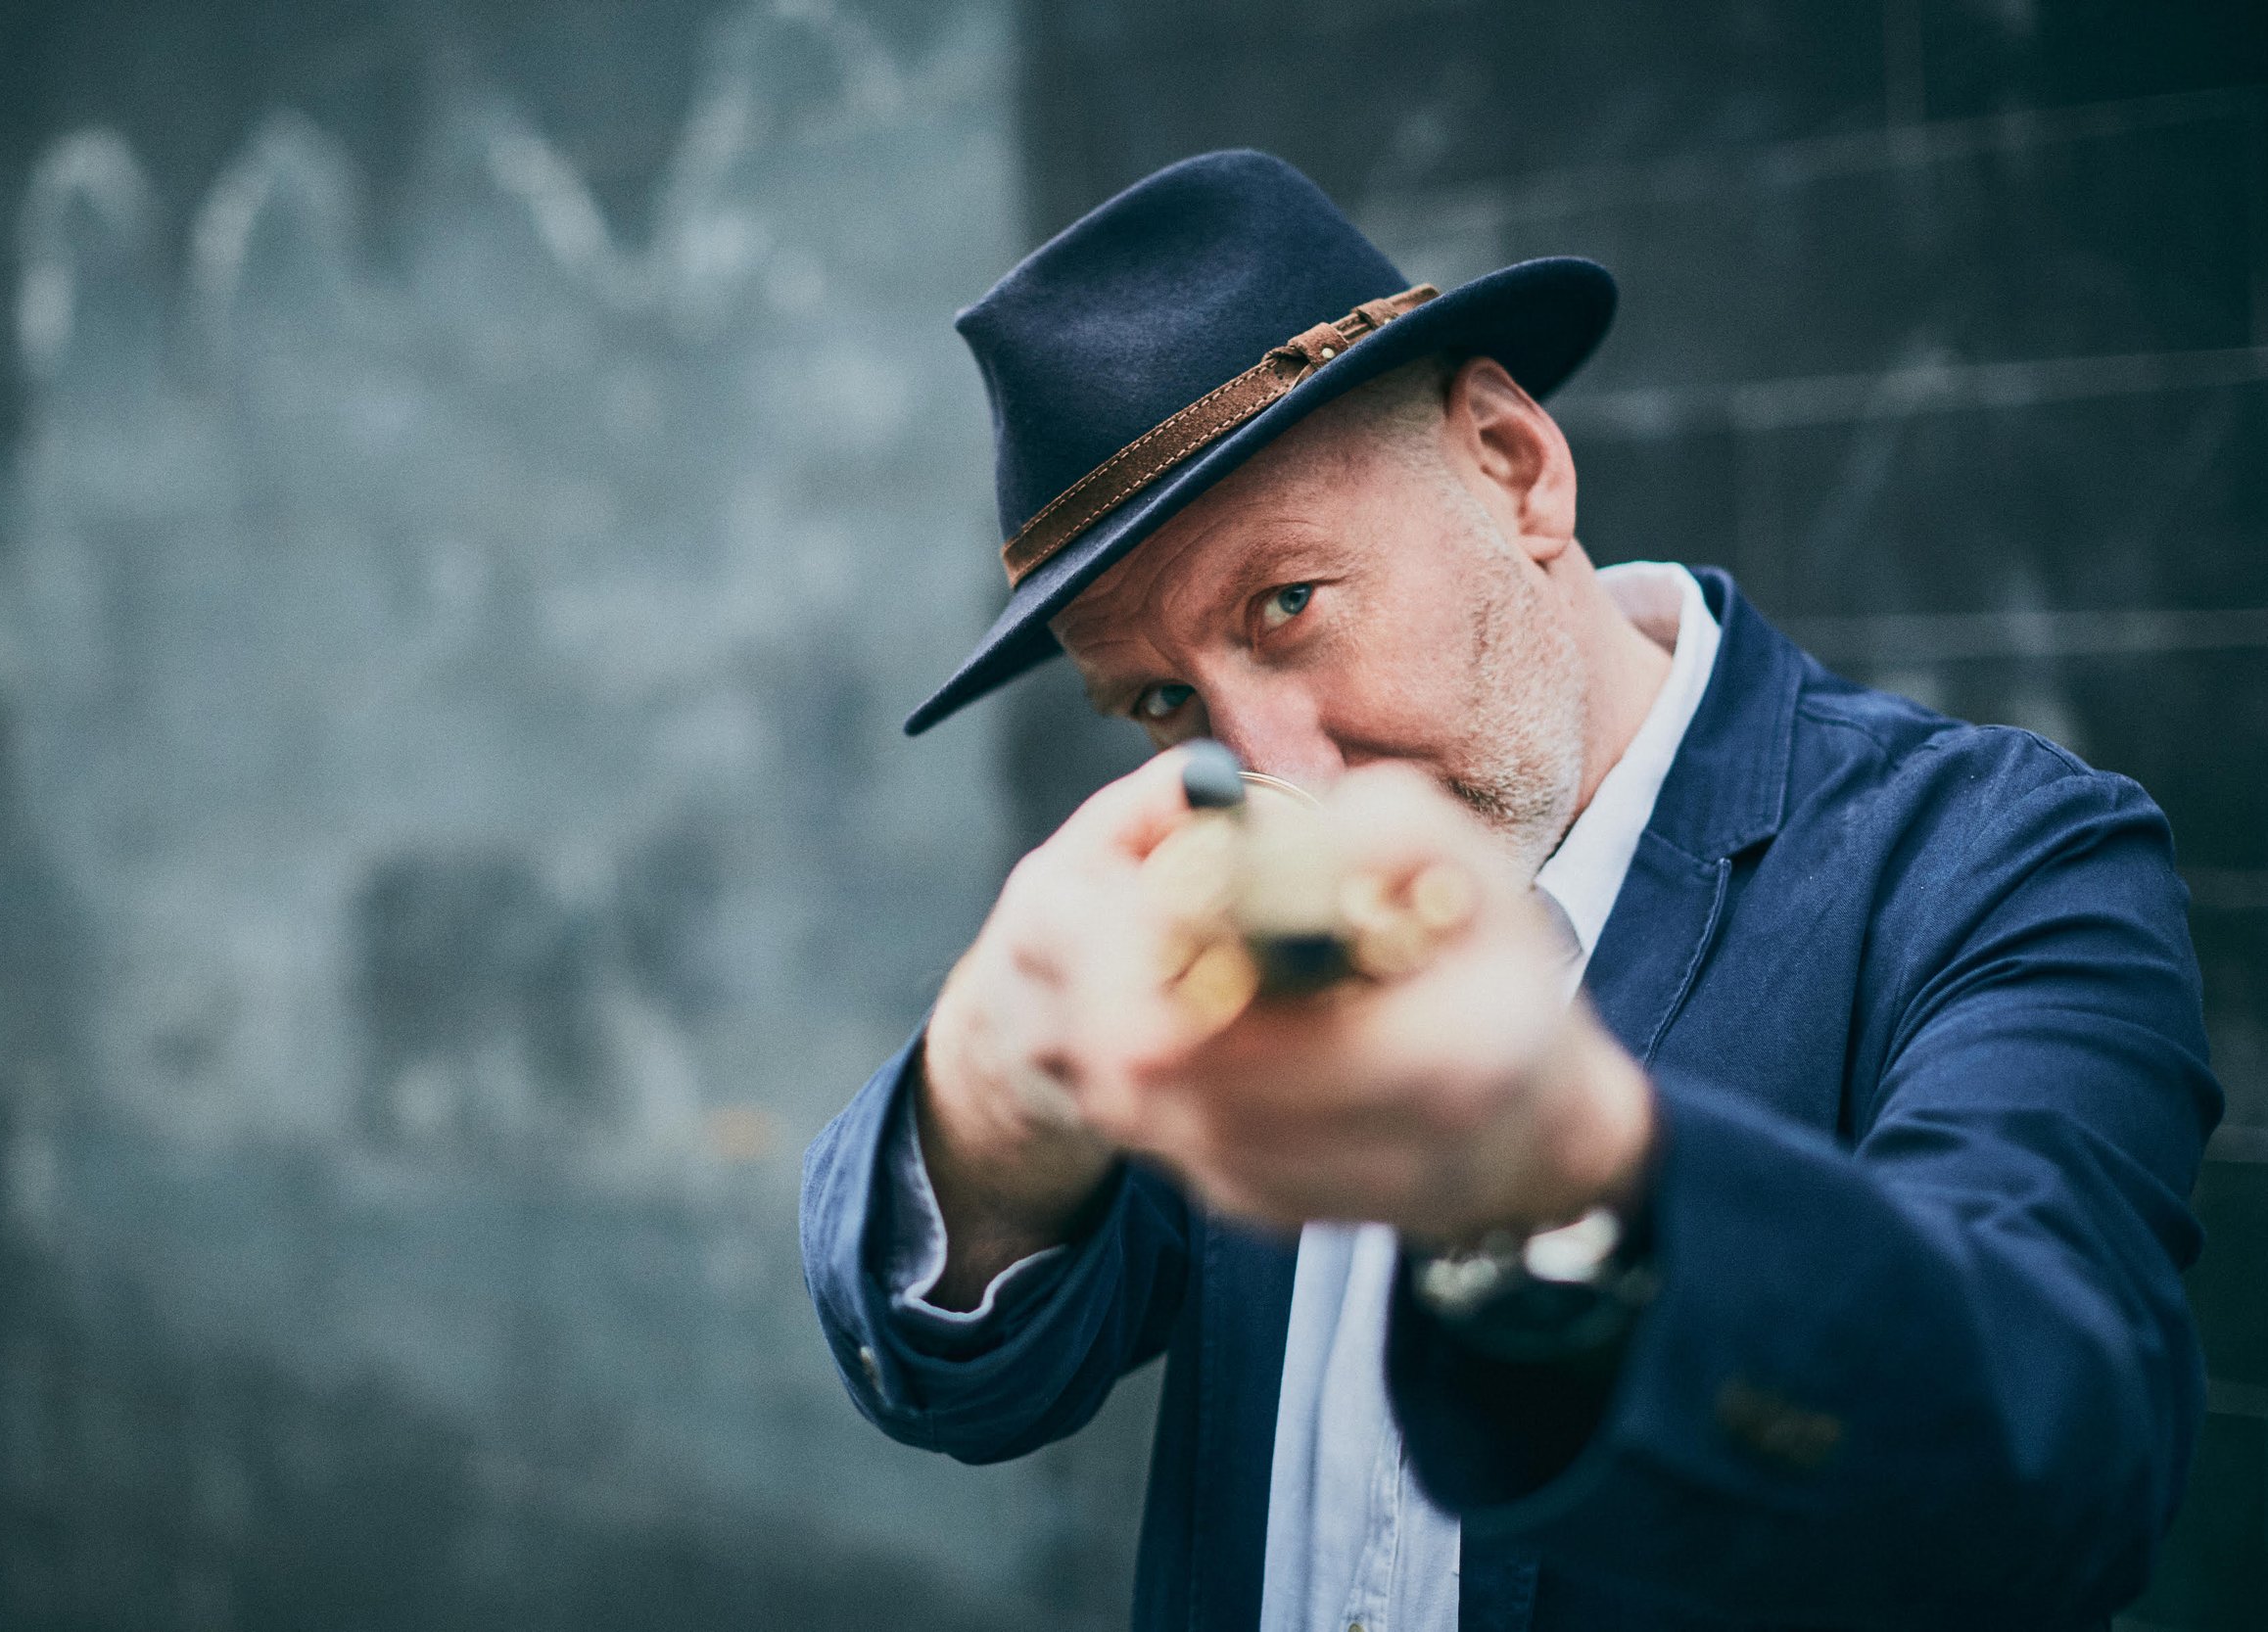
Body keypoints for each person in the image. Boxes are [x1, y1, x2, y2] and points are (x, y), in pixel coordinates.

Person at [798, 151, 2220, 1631]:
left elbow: (2068, 1467)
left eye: (1286, 603)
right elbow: (977, 1382)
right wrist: (991, 1100)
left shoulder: (2001, 858)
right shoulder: (1223, 909)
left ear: (1512, 463)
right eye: (1161, 699)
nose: (1269, 767)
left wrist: (1574, 1176)